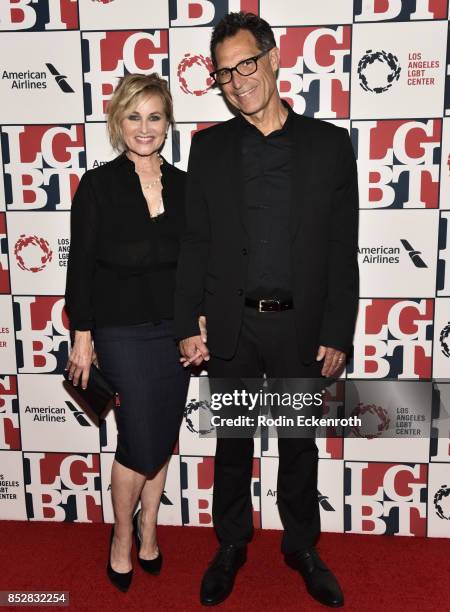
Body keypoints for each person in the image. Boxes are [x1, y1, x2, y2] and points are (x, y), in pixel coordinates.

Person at [175, 12, 359, 608]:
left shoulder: (331, 145)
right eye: (224, 72)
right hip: (232, 327)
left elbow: (341, 245)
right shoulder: (208, 149)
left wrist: (337, 328)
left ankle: (302, 546)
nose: (236, 80)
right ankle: (231, 543)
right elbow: (196, 243)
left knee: (299, 444)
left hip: (300, 328)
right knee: (232, 444)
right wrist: (186, 322)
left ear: (274, 58)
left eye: (245, 64)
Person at [65, 73, 190, 593]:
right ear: (119, 121)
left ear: (167, 124)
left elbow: (199, 263)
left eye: (155, 116)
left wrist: (201, 320)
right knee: (140, 434)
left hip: (177, 333)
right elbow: (82, 267)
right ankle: (121, 535)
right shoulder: (98, 185)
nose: (145, 127)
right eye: (134, 116)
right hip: (119, 330)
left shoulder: (186, 185)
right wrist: (83, 335)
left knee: (161, 435)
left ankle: (149, 529)